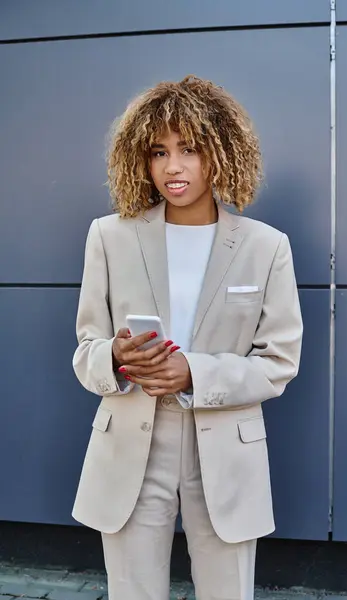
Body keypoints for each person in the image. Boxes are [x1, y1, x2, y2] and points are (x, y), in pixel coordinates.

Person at [72, 75, 303, 600]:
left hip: (223, 443)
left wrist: (194, 371)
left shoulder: (266, 246)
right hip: (132, 440)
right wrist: (115, 355)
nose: (172, 167)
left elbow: (279, 363)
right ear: (141, 159)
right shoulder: (108, 236)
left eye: (190, 149)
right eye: (158, 152)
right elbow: (85, 354)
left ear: (221, 152)